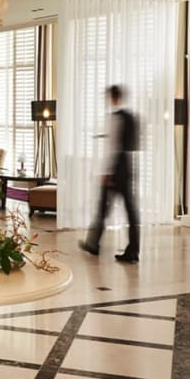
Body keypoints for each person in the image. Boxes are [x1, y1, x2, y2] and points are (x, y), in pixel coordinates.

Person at [79, 85, 140, 263]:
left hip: (115, 169)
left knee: (103, 208)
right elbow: (132, 144)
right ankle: (133, 251)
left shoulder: (115, 118)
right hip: (127, 166)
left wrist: (107, 172)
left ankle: (93, 244)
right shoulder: (131, 117)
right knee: (131, 211)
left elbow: (113, 147)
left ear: (113, 98)